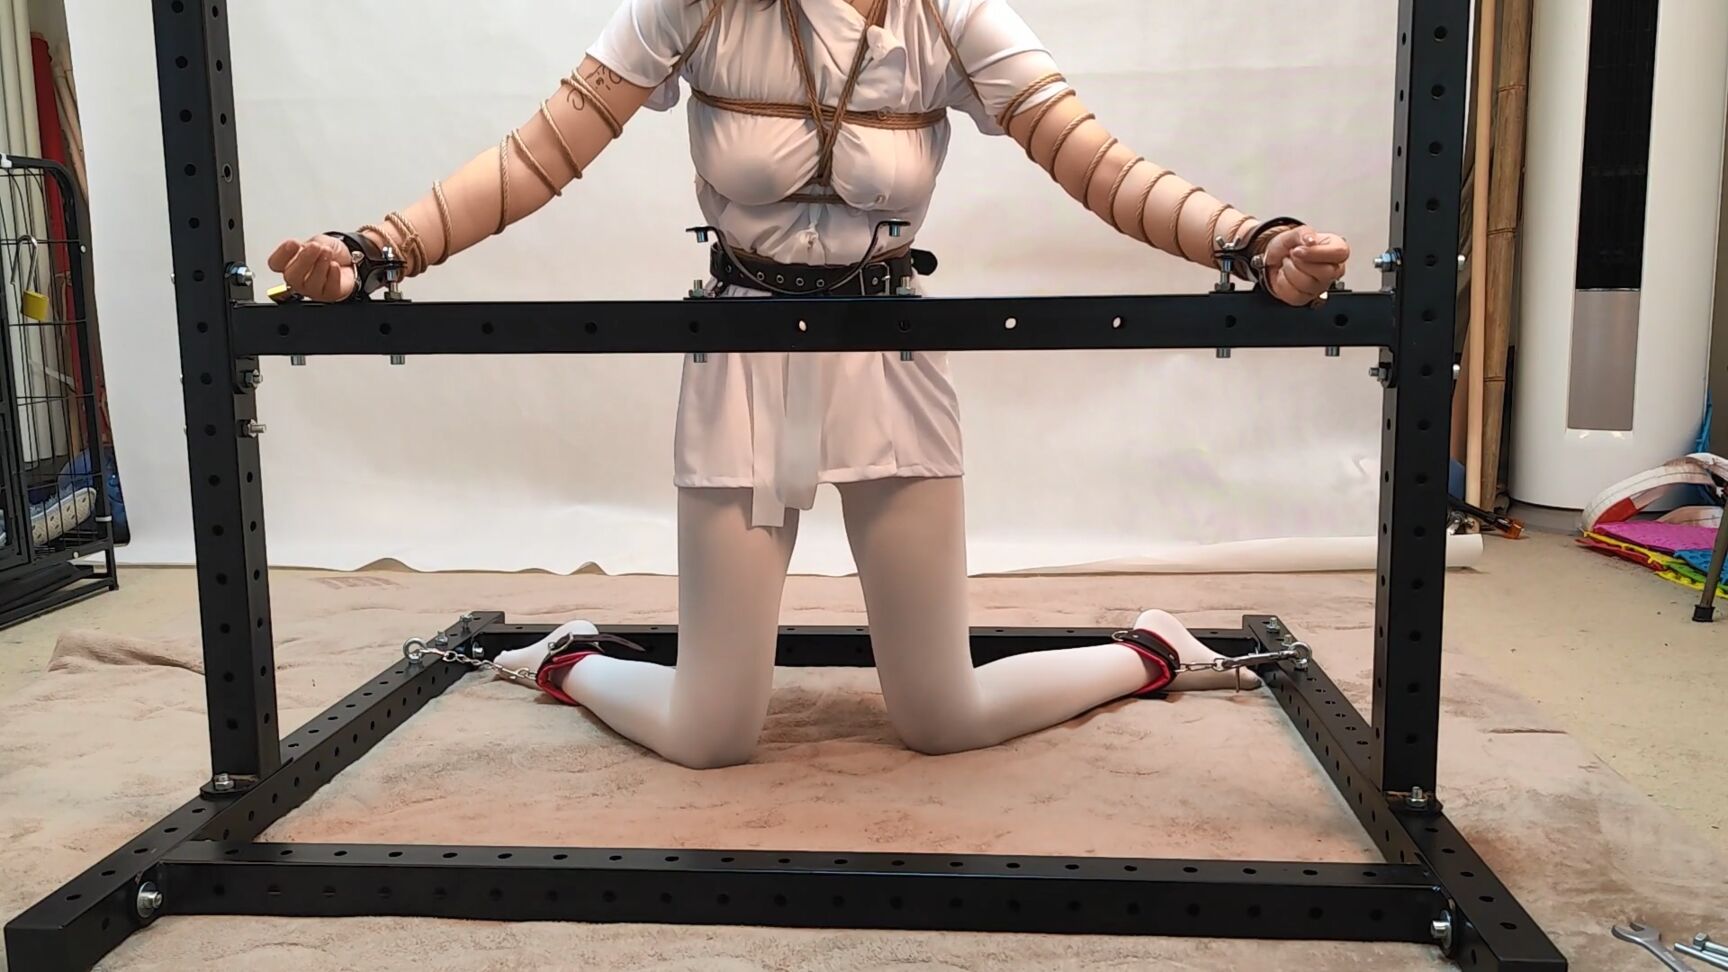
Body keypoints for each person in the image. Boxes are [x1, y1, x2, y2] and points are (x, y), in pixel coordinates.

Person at [269, 0, 1350, 769]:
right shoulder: (696, 6)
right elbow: (537, 154)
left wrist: (1257, 243)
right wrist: (374, 251)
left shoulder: (948, 14)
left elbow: (1100, 164)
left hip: (887, 351)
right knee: (708, 733)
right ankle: (568, 657)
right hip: (744, 348)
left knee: (942, 718)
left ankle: (1150, 648)